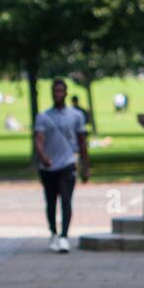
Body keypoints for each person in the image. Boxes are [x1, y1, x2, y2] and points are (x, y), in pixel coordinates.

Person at [34, 77, 90, 253]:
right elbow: (38, 139)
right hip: (49, 166)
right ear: (52, 93)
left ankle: (64, 236)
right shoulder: (43, 116)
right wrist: (43, 156)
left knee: (66, 200)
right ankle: (53, 232)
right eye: (55, 91)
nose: (58, 94)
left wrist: (85, 167)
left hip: (68, 164)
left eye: (61, 91)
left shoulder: (76, 116)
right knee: (51, 202)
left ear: (66, 93)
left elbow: (82, 142)